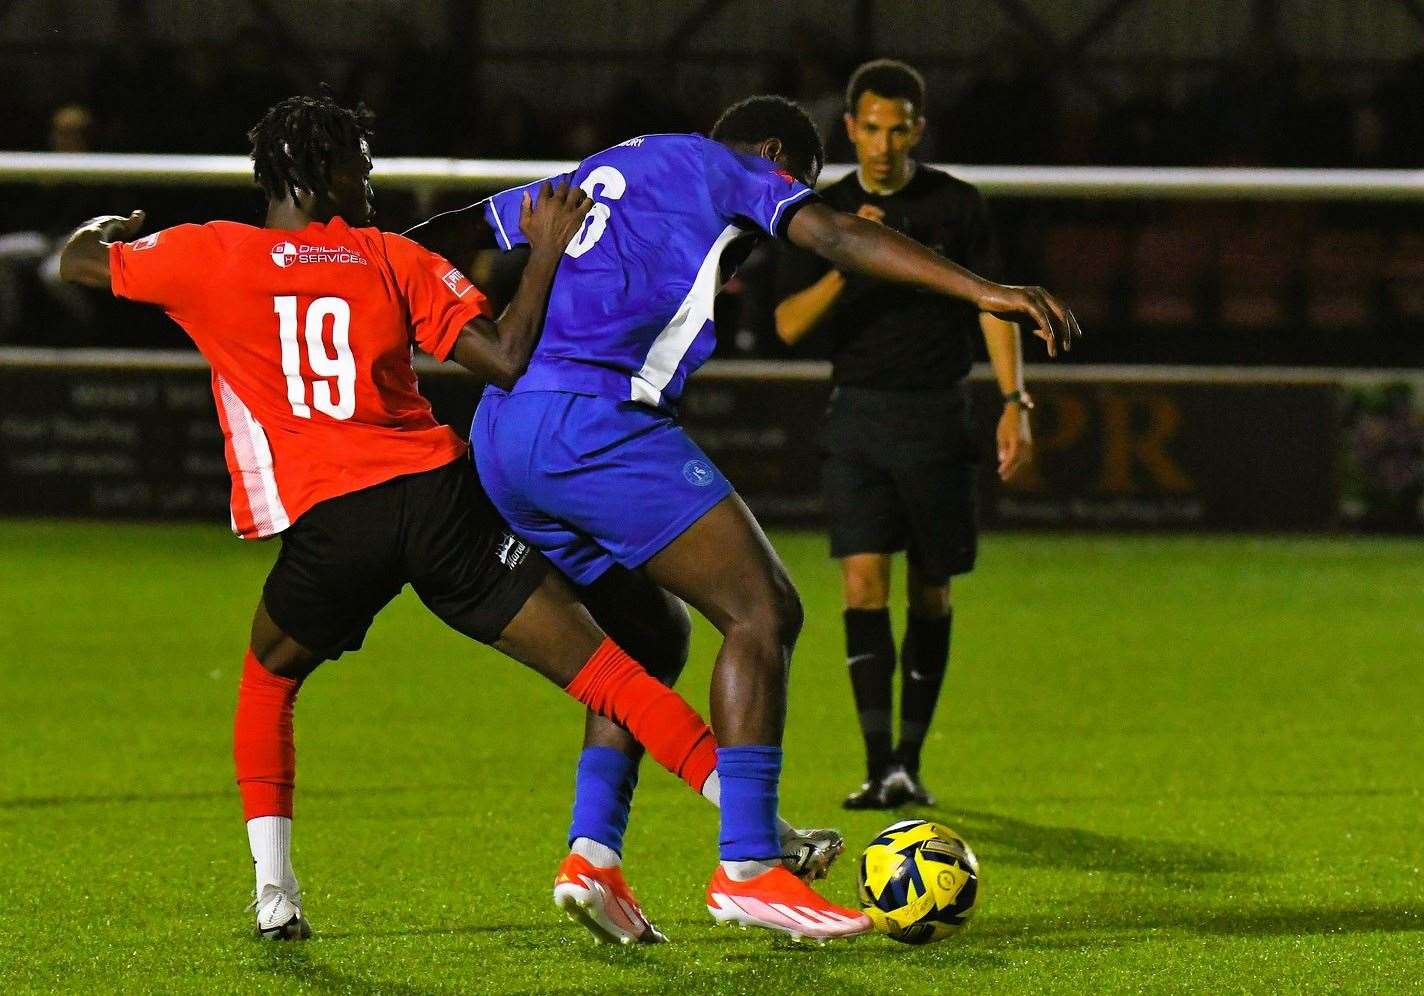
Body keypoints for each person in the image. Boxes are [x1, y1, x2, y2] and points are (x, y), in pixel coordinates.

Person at [56, 94, 852, 945]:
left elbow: (77, 264)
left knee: (269, 681)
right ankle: (753, 838)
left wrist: (107, 225)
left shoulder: (206, 254)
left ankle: (276, 895)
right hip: (441, 503)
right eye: (359, 170)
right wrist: (543, 254)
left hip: (335, 523)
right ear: (324, 173)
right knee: (607, 673)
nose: (369, 186)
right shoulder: (390, 259)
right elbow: (507, 358)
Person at [408, 93, 1078, 944]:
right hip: (591, 421)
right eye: (795, 186)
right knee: (765, 609)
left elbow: (440, 237)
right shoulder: (728, 167)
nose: (780, 217)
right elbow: (836, 235)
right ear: (772, 154)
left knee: (649, 638)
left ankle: (594, 857)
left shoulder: (604, 168)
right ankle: (751, 867)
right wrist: (985, 290)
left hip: (503, 433)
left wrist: (340, 270)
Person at [772, 59, 1032, 809]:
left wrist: (1017, 400)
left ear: (918, 129)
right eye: (870, 128)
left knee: (931, 591)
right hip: (858, 416)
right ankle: (876, 760)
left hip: (936, 415)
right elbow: (788, 324)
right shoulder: (819, 214)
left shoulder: (957, 206)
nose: (883, 144)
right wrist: (853, 257)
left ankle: (908, 764)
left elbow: (993, 307)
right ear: (849, 127)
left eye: (898, 128)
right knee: (862, 585)